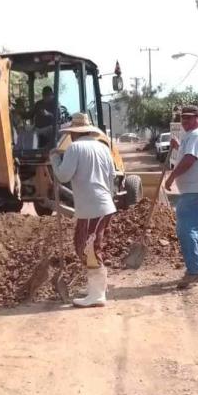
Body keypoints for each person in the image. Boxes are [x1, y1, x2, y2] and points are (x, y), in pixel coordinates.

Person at [50, 113, 117, 308]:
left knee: (88, 248)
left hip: (92, 206)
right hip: (101, 204)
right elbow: (112, 175)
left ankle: (97, 294)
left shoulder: (75, 148)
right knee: (84, 245)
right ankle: (97, 288)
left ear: (73, 134)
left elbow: (63, 175)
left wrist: (55, 159)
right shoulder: (103, 148)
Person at [165, 105, 198, 288]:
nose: (185, 121)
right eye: (182, 118)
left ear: (197, 117)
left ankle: (194, 271)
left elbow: (189, 160)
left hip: (197, 191)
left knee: (186, 229)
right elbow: (188, 154)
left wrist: (171, 176)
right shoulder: (195, 134)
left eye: (189, 118)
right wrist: (177, 146)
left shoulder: (197, 135)